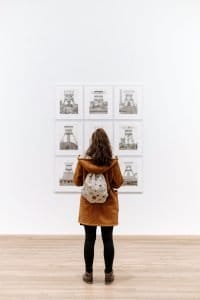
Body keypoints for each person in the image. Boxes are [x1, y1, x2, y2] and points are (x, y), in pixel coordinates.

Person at [73, 128, 123, 284]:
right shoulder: (112, 162)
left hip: (89, 206)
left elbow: (77, 182)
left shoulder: (84, 161)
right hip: (108, 205)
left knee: (89, 239)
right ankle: (108, 274)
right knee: (108, 239)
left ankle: (88, 274)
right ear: (106, 144)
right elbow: (118, 182)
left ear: (92, 143)